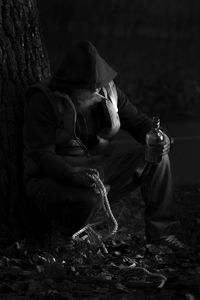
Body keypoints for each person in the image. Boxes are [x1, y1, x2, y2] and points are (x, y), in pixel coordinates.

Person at [23, 41, 184, 249]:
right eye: (90, 89)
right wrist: (73, 175)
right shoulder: (44, 100)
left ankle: (162, 235)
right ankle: (66, 239)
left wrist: (160, 138)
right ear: (70, 86)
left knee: (157, 157)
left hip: (97, 173)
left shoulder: (109, 92)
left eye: (99, 86)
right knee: (88, 198)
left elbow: (139, 123)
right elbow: (41, 154)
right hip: (52, 180)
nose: (98, 93)